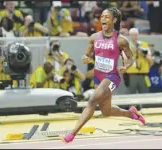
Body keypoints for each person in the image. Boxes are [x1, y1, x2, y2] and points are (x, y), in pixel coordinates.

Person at [60, 7, 146, 143]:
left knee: (92, 101)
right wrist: (85, 58)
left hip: (112, 77)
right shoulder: (94, 37)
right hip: (98, 76)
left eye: (107, 17)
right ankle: (131, 113)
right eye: (102, 16)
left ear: (114, 20)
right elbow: (87, 54)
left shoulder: (121, 40)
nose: (103, 19)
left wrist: (126, 66)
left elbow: (131, 58)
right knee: (106, 112)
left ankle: (72, 134)